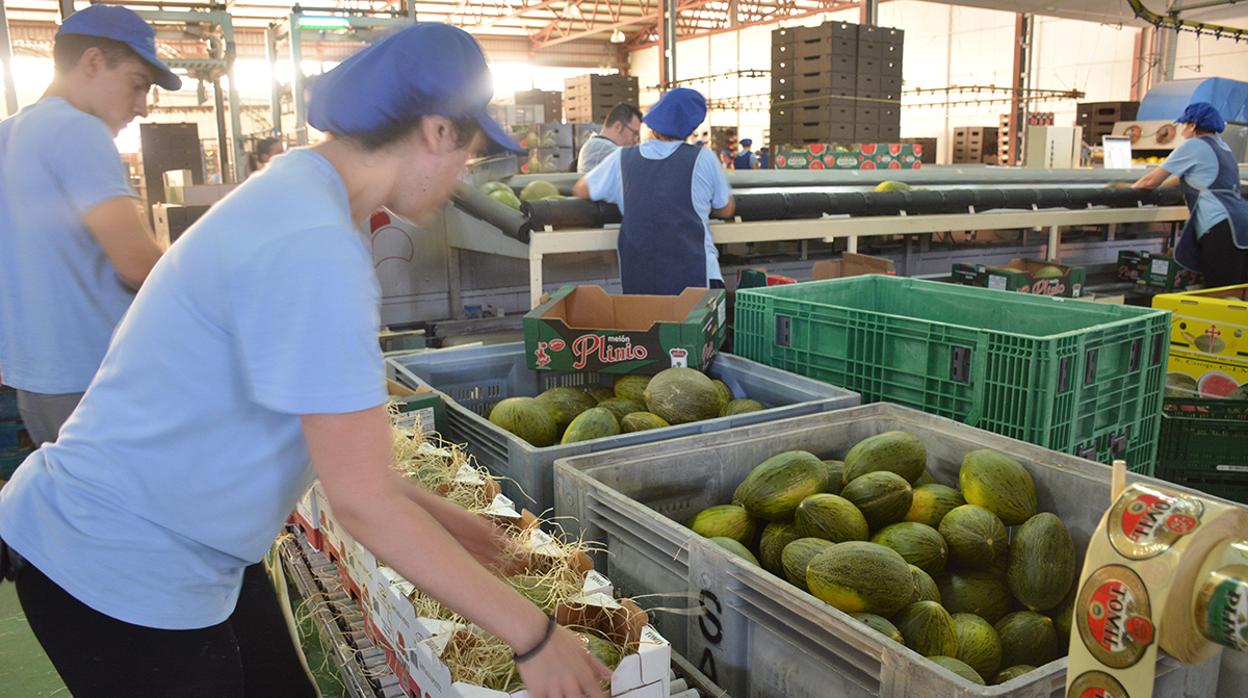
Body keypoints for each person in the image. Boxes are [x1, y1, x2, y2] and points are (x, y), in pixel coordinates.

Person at [0, 23, 610, 698]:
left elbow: (333, 447)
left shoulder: (297, 190)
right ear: (436, 131)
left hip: (174, 546)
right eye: (467, 152)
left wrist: (437, 514)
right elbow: (364, 506)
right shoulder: (314, 243)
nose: (461, 177)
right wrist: (533, 634)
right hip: (118, 565)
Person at [0, 5, 173, 447]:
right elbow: (138, 266)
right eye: (138, 86)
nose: (143, 107)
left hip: (37, 381)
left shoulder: (8, 135)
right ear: (93, 62)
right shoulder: (77, 130)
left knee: (81, 511)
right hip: (95, 378)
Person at [574, 88, 736, 294]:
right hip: (696, 277)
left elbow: (582, 188)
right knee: (693, 326)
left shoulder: (622, 159)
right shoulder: (703, 158)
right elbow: (726, 209)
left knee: (646, 325)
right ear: (691, 126)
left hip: (641, 280)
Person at [1133, 102, 1248, 287]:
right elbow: (1183, 179)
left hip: (1221, 226)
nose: (1182, 128)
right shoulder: (1223, 147)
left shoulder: (1194, 145)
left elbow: (1150, 181)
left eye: (1184, 124)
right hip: (1241, 222)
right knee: (1237, 289)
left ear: (1193, 125)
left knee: (1219, 289)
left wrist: (1126, 192)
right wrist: (1160, 188)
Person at [575, 103, 642, 174]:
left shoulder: (597, 144)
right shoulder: (600, 147)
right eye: (634, 133)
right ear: (618, 126)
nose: (635, 140)